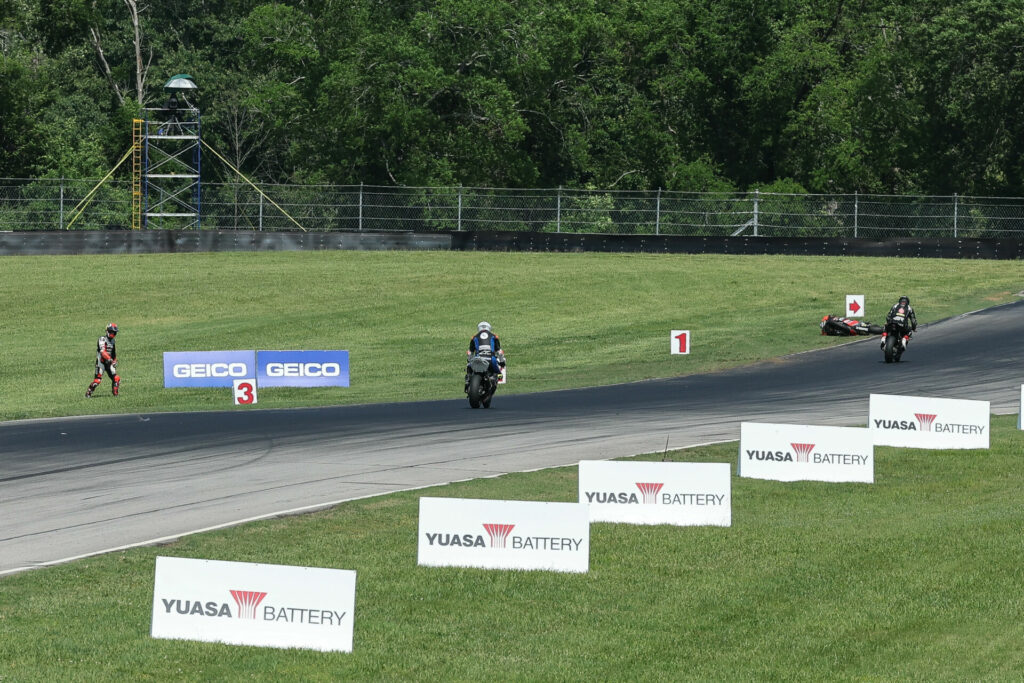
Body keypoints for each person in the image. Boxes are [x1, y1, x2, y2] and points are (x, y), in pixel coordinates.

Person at [86, 323, 120, 397]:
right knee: (97, 381)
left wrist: (114, 361)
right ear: (108, 331)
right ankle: (88, 393)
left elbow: (114, 353)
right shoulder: (102, 339)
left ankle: (116, 395)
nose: (113, 334)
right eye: (112, 332)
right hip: (101, 363)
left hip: (109, 363)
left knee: (116, 378)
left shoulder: (113, 341)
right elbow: (102, 352)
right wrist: (110, 359)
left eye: (114, 332)